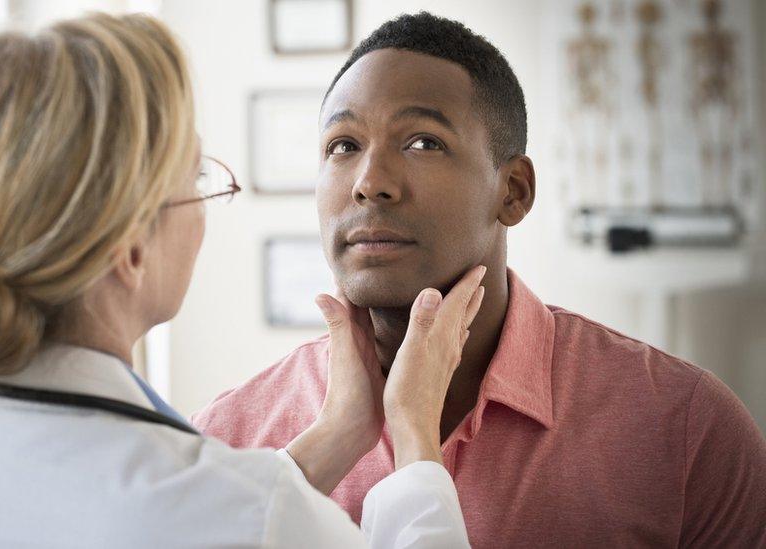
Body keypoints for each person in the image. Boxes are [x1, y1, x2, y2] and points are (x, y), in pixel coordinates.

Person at [0, 13, 479, 548]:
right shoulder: (247, 510)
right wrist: (415, 443)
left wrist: (337, 436)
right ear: (131, 248)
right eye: (194, 181)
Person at [193, 12, 766, 548]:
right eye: (343, 146)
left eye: (423, 142)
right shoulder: (224, 439)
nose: (369, 182)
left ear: (513, 191)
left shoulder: (685, 429)